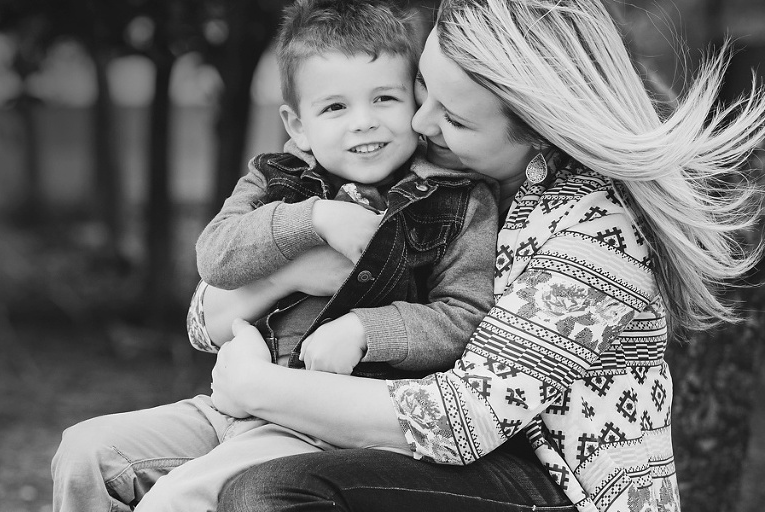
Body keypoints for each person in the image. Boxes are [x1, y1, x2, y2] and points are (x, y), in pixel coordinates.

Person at [209, 1, 765, 511]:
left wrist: (261, 387)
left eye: (454, 117)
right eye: (423, 88)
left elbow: (469, 416)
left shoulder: (596, 232)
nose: (421, 122)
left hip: (563, 486)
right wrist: (292, 274)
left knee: (271, 490)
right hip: (457, 455)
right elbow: (211, 309)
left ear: (540, 132)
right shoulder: (431, 168)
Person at [50, 1, 498, 512]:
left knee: (178, 500)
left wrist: (366, 332)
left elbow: (464, 318)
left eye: (385, 98)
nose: (364, 123)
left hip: (322, 423)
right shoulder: (275, 180)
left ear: (415, 103)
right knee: (88, 451)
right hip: (230, 407)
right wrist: (314, 218)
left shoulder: (455, 201)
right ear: (297, 124)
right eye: (335, 107)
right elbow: (217, 256)